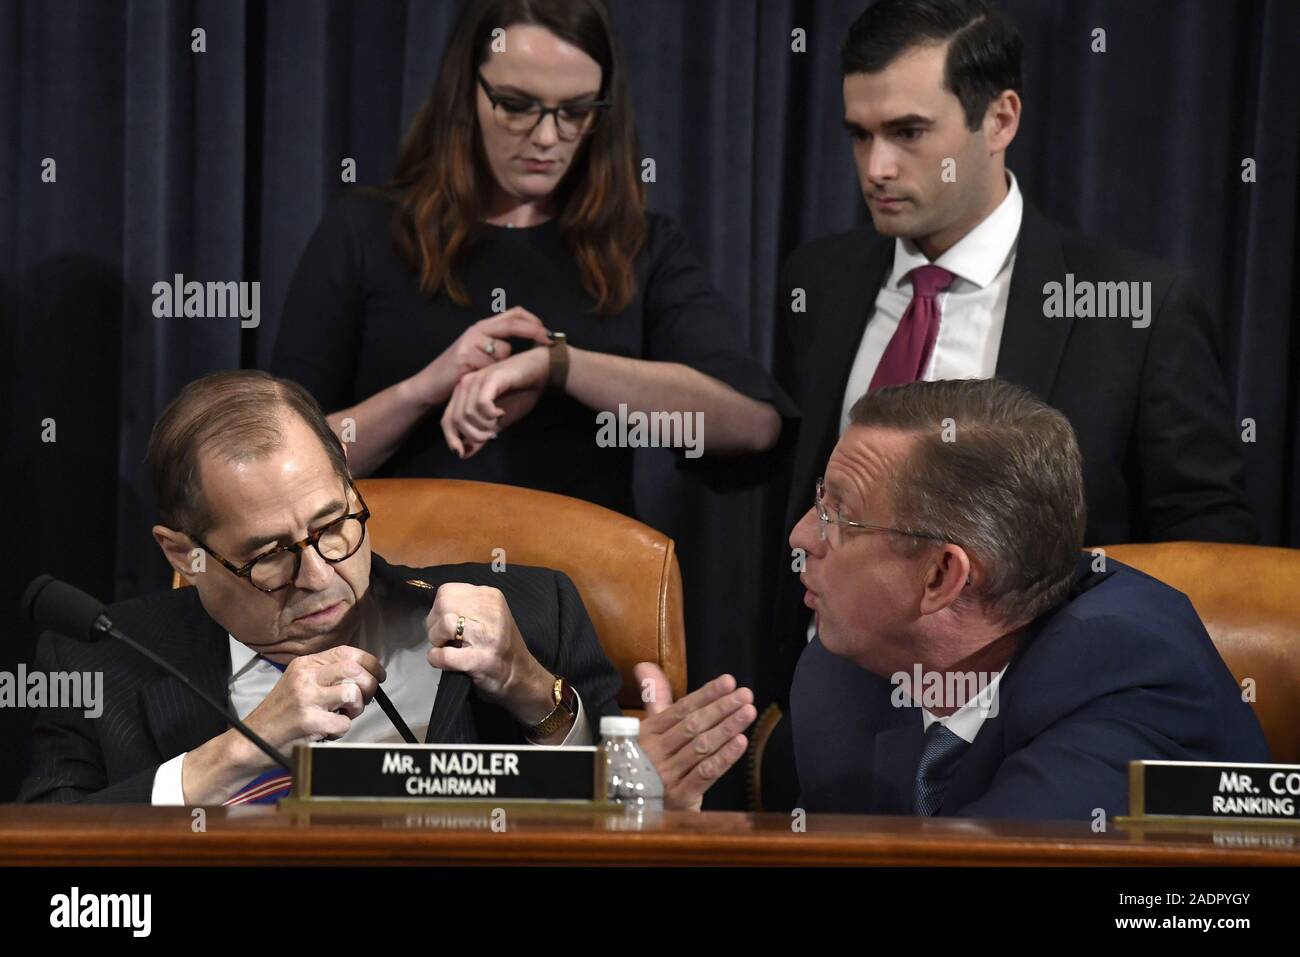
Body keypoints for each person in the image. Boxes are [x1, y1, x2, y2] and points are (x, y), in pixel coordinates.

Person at [770, 0, 1255, 705]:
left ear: (1000, 119)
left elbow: (1214, 553)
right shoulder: (820, 282)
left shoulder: (1136, 307)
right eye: (859, 134)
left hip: (1045, 717)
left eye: (908, 132)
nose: (876, 166)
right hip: (829, 710)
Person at [19, 371, 754, 808]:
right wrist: (242, 751)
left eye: (334, 523)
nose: (321, 575)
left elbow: (627, 808)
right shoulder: (103, 666)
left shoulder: (535, 614)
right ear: (187, 553)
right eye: (272, 555)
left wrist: (535, 691)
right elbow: (48, 874)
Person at [270, 0, 790, 517]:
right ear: (466, 94)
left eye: (576, 111)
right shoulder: (365, 231)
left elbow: (753, 426)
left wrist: (558, 366)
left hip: (572, 585)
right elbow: (280, 467)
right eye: (516, 106)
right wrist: (422, 391)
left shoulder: (639, 245)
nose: (547, 138)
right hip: (402, 579)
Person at [788, 378, 1269, 819]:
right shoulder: (841, 677)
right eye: (819, 499)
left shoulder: (1129, 682)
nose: (801, 535)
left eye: (839, 516)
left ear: (941, 575)